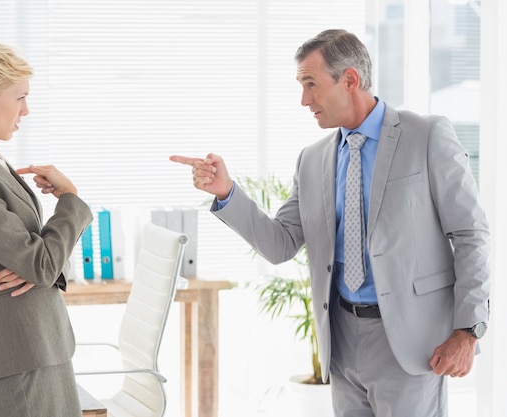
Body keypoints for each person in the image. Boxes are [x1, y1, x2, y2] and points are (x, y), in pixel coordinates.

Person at [170, 29, 490, 416]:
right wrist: (226, 192)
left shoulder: (426, 136)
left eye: (311, 84)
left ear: (350, 80)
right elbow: (280, 244)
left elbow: (470, 234)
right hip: (341, 339)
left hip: (411, 342)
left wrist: (467, 330)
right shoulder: (312, 159)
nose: (304, 100)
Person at [0, 42, 93, 417]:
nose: (26, 109)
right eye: (20, 97)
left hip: (41, 349)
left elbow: (46, 261)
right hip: (17, 361)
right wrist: (70, 199)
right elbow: (42, 262)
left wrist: (42, 265)